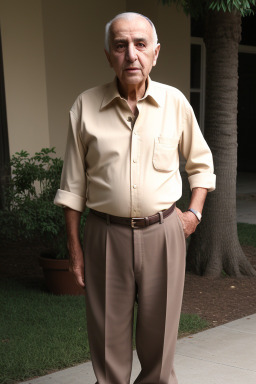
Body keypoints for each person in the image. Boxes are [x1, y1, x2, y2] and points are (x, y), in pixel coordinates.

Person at [54, 12, 216, 384]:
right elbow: (73, 186)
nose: (131, 54)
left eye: (140, 44)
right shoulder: (85, 107)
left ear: (155, 53)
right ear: (108, 55)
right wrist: (75, 248)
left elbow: (201, 164)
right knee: (108, 346)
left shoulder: (175, 104)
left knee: (160, 347)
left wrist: (193, 214)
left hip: (164, 234)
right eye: (121, 45)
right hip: (105, 236)